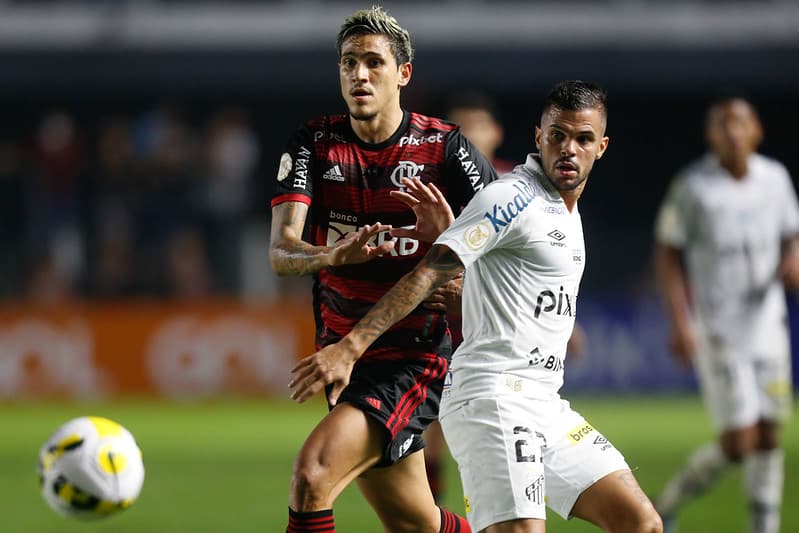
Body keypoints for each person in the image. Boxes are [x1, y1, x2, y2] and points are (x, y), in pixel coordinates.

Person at [289, 80, 663, 533]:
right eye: (558, 135)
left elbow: (498, 283)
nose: (569, 149)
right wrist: (351, 348)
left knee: (640, 522)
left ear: (601, 147)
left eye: (582, 139)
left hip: (545, 400)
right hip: (493, 398)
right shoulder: (512, 197)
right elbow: (427, 274)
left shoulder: (564, 207)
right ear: (538, 136)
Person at [270, 6, 498, 532]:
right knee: (415, 522)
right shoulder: (314, 145)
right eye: (349, 63)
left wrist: (453, 245)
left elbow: (508, 251)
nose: (359, 75)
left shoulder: (446, 150)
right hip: (344, 355)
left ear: (403, 73)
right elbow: (281, 252)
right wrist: (329, 255)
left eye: (374, 62)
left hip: (412, 358)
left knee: (312, 476)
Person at [423, 89, 589, 504]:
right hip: (440, 319)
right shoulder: (432, 186)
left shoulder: (515, 187)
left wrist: (568, 322)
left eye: (476, 127)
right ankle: (438, 515)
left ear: (495, 132)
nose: (468, 138)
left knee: (466, 432)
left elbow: (539, 262)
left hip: (494, 325)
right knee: (433, 432)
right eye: (457, 132)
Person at [653, 97, 799, 533]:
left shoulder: (775, 179)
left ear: (757, 130)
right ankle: (667, 503)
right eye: (722, 125)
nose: (732, 132)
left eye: (740, 123)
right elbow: (667, 251)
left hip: (768, 328)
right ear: (710, 135)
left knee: (771, 433)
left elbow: (792, 234)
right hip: (719, 332)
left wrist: (793, 258)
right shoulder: (694, 187)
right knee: (739, 443)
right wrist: (680, 320)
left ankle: (764, 526)